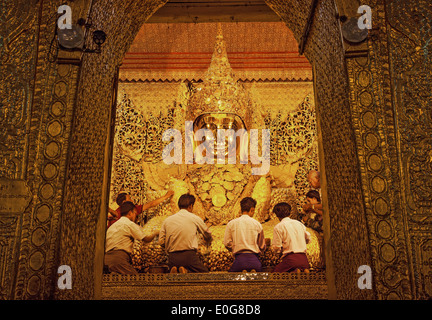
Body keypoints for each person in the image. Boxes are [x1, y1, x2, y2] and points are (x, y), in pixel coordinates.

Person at [159, 194, 212, 273]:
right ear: (190, 206)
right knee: (205, 275)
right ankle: (186, 270)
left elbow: (161, 241)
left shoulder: (167, 220)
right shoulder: (194, 218)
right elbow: (206, 233)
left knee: (178, 273)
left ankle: (178, 269)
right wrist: (208, 241)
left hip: (172, 258)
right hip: (189, 256)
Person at [104, 201, 159, 274]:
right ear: (130, 213)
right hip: (119, 259)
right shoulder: (129, 224)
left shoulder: (112, 226)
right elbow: (146, 239)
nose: (136, 217)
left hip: (106, 260)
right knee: (136, 281)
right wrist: (156, 232)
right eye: (135, 214)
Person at [223, 197, 267, 272]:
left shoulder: (231, 224)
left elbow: (227, 243)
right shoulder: (257, 224)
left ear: (241, 209)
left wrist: (235, 247)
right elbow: (261, 246)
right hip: (255, 261)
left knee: (230, 281)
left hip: (239, 261)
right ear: (252, 209)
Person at [271, 202, 311, 273]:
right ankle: (300, 269)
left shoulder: (278, 227)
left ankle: (295, 270)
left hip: (291, 260)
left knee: (274, 275)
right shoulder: (299, 224)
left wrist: (277, 254)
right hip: (304, 259)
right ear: (289, 212)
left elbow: (277, 247)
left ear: (277, 215)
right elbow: (308, 238)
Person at [107, 190, 174, 228]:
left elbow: (151, 204)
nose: (132, 201)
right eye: (129, 199)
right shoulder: (116, 215)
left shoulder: (133, 208)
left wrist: (166, 196)